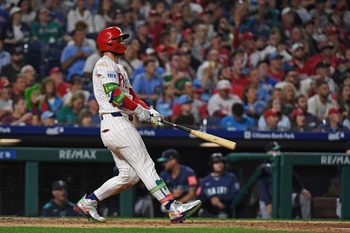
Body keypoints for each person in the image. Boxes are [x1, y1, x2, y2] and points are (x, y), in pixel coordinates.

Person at [73, 27, 201, 223]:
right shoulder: (104, 65)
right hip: (116, 121)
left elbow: (132, 97)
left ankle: (88, 202)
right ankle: (172, 207)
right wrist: (141, 112)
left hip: (117, 124)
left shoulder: (119, 68)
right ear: (109, 42)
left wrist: (149, 111)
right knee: (146, 165)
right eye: (119, 39)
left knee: (129, 176)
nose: (123, 43)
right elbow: (116, 97)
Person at [257, 141, 311, 219]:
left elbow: (294, 179)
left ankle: (306, 224)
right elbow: (262, 188)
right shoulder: (263, 167)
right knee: (268, 224)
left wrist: (301, 189)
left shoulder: (284, 164)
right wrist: (268, 203)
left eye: (278, 150)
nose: (278, 153)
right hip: (269, 200)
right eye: (275, 151)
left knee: (304, 197)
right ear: (268, 153)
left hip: (285, 198)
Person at [197, 153, 240, 218]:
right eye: (216, 162)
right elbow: (200, 197)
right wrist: (211, 199)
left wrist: (219, 198)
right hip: (208, 211)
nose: (219, 165)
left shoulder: (231, 177)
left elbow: (235, 195)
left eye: (221, 162)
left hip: (225, 211)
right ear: (211, 165)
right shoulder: (205, 180)